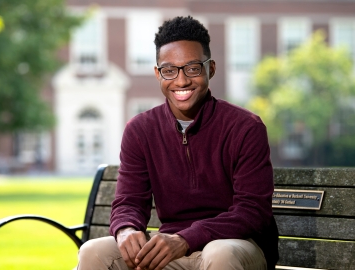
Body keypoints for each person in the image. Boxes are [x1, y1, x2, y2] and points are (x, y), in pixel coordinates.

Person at [76, 15, 279, 270]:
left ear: (211, 69)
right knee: (93, 251)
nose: (181, 81)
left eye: (193, 68)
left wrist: (186, 238)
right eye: (169, 70)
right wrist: (126, 229)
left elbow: (252, 212)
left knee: (220, 252)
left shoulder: (246, 128)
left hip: (237, 246)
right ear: (158, 74)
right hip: (171, 247)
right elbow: (128, 201)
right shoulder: (140, 130)